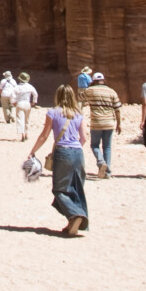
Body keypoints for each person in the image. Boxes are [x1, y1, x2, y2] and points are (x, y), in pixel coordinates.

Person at [26, 84, 89, 236]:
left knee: (59, 189)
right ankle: (72, 222)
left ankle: (75, 215)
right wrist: (75, 149)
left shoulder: (52, 113)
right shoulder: (79, 114)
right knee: (76, 187)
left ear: (58, 96)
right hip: (78, 153)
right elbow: (84, 138)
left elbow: (44, 135)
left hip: (63, 152)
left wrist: (33, 151)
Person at [82, 70, 122, 178]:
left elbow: (81, 99)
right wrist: (119, 123)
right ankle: (107, 172)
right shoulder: (112, 91)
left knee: (94, 145)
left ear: (94, 81)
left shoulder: (90, 90)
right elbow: (117, 109)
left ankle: (101, 162)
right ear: (103, 80)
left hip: (96, 122)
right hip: (109, 122)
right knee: (107, 146)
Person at [13, 71, 38, 139]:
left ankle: (22, 134)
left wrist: (13, 102)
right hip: (27, 104)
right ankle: (27, 133)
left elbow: (12, 95)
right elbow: (35, 94)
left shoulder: (17, 87)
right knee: (27, 120)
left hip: (20, 103)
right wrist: (34, 102)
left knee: (20, 119)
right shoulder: (30, 86)